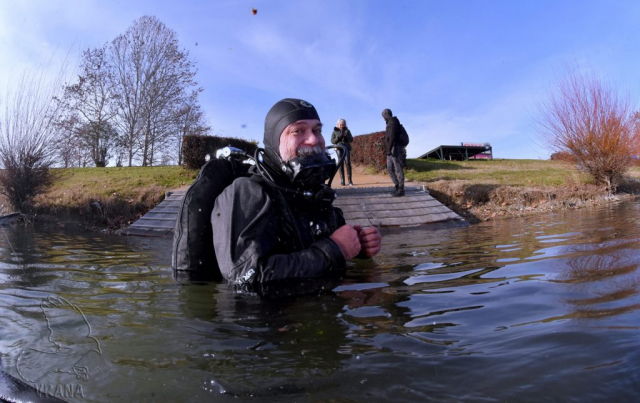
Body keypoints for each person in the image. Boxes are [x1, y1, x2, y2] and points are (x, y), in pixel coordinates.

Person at [211, 98, 381, 285]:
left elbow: (332, 249)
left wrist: (358, 246)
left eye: (317, 130)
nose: (313, 139)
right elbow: (244, 277)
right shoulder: (248, 192)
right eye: (298, 131)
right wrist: (335, 249)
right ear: (275, 141)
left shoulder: (315, 193)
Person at [382, 108, 405, 197]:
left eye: (383, 115)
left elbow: (392, 136)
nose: (383, 117)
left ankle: (401, 190)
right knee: (389, 168)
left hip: (395, 149)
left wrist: (389, 149)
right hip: (391, 150)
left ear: (386, 114)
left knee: (398, 168)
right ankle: (397, 186)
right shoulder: (389, 123)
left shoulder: (393, 122)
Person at [331, 118, 354, 186]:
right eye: (340, 124)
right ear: (338, 124)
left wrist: (346, 136)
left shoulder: (347, 131)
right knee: (340, 163)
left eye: (343, 124)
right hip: (339, 148)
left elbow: (351, 139)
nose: (342, 126)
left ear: (345, 124)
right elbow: (332, 141)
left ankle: (350, 181)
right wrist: (339, 137)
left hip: (346, 147)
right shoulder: (334, 131)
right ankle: (342, 180)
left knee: (348, 163)